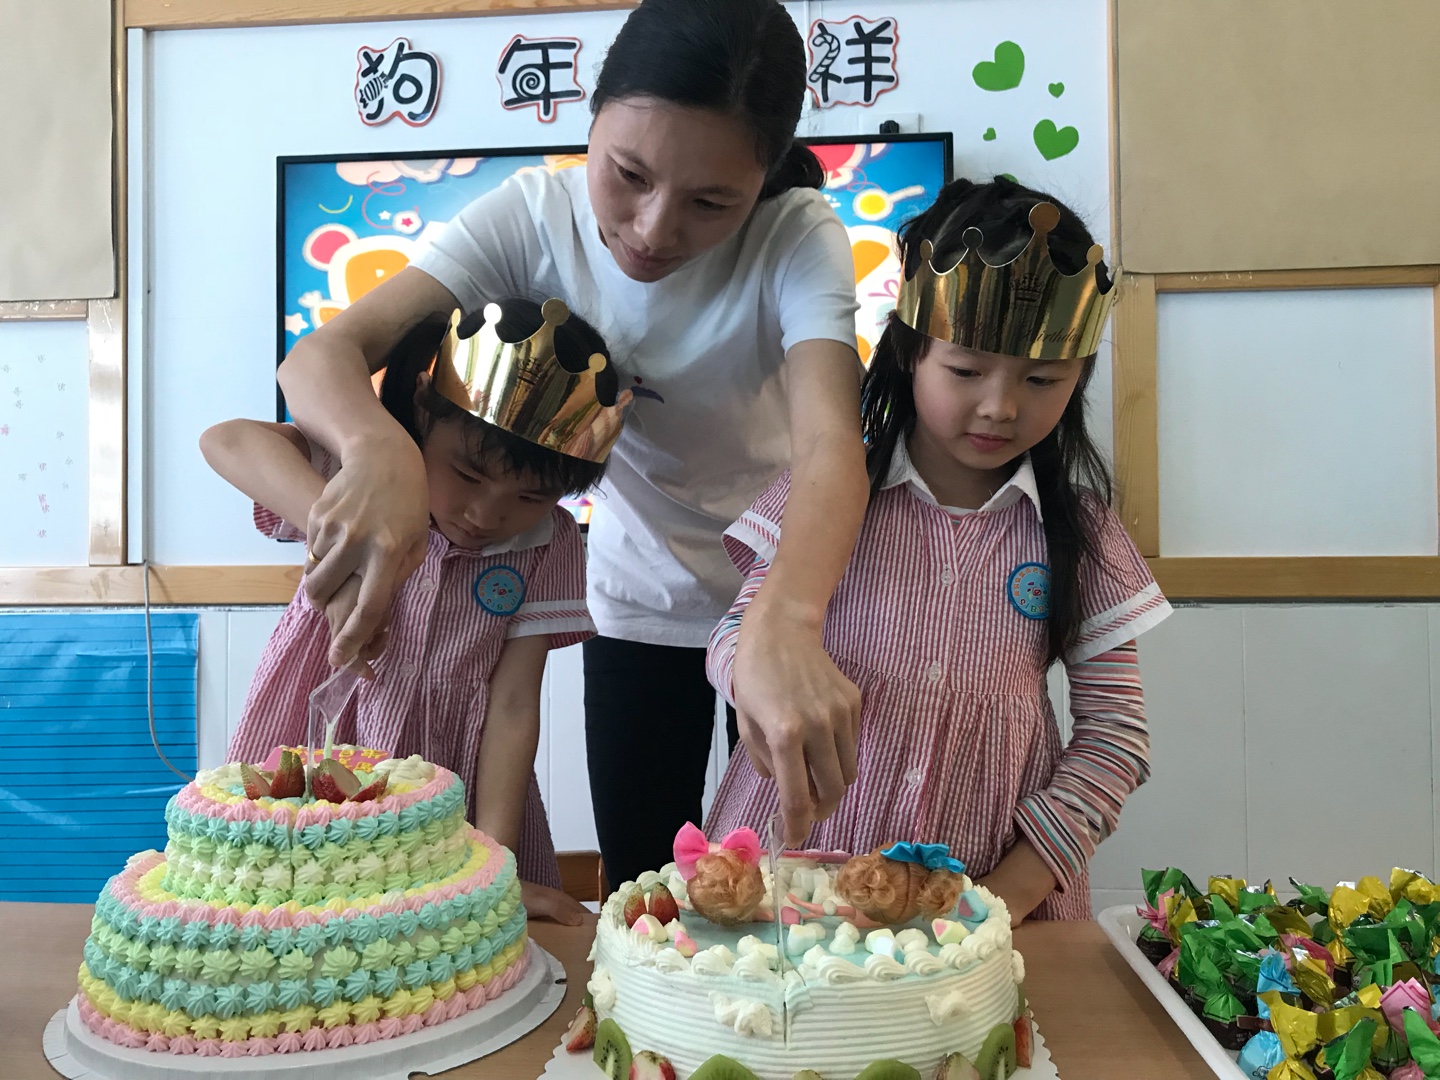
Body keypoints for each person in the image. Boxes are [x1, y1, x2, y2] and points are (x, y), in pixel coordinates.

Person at [274, 0, 870, 888]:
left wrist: (788, 615)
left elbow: (831, 444)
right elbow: (322, 357)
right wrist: (379, 450)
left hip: (790, 582)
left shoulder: (796, 236)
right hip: (639, 596)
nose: (654, 230)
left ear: (764, 180)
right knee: (644, 881)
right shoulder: (531, 217)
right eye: (628, 174)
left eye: (712, 203)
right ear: (591, 120)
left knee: (793, 881)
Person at [704, 176, 1173, 924]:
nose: (1000, 406)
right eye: (965, 371)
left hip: (988, 903)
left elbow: (1116, 738)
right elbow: (733, 638)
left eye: (1042, 378)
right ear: (910, 353)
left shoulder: (1083, 536)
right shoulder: (826, 496)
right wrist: (760, 676)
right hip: (799, 887)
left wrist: (997, 902)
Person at [202, 297, 626, 924]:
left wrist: (494, 864)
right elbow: (227, 440)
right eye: (468, 474)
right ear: (424, 408)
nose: (485, 515)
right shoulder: (363, 484)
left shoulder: (548, 543)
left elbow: (514, 705)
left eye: (531, 496)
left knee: (444, 947)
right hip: (327, 745)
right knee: (305, 922)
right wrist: (345, 542)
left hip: (457, 778)